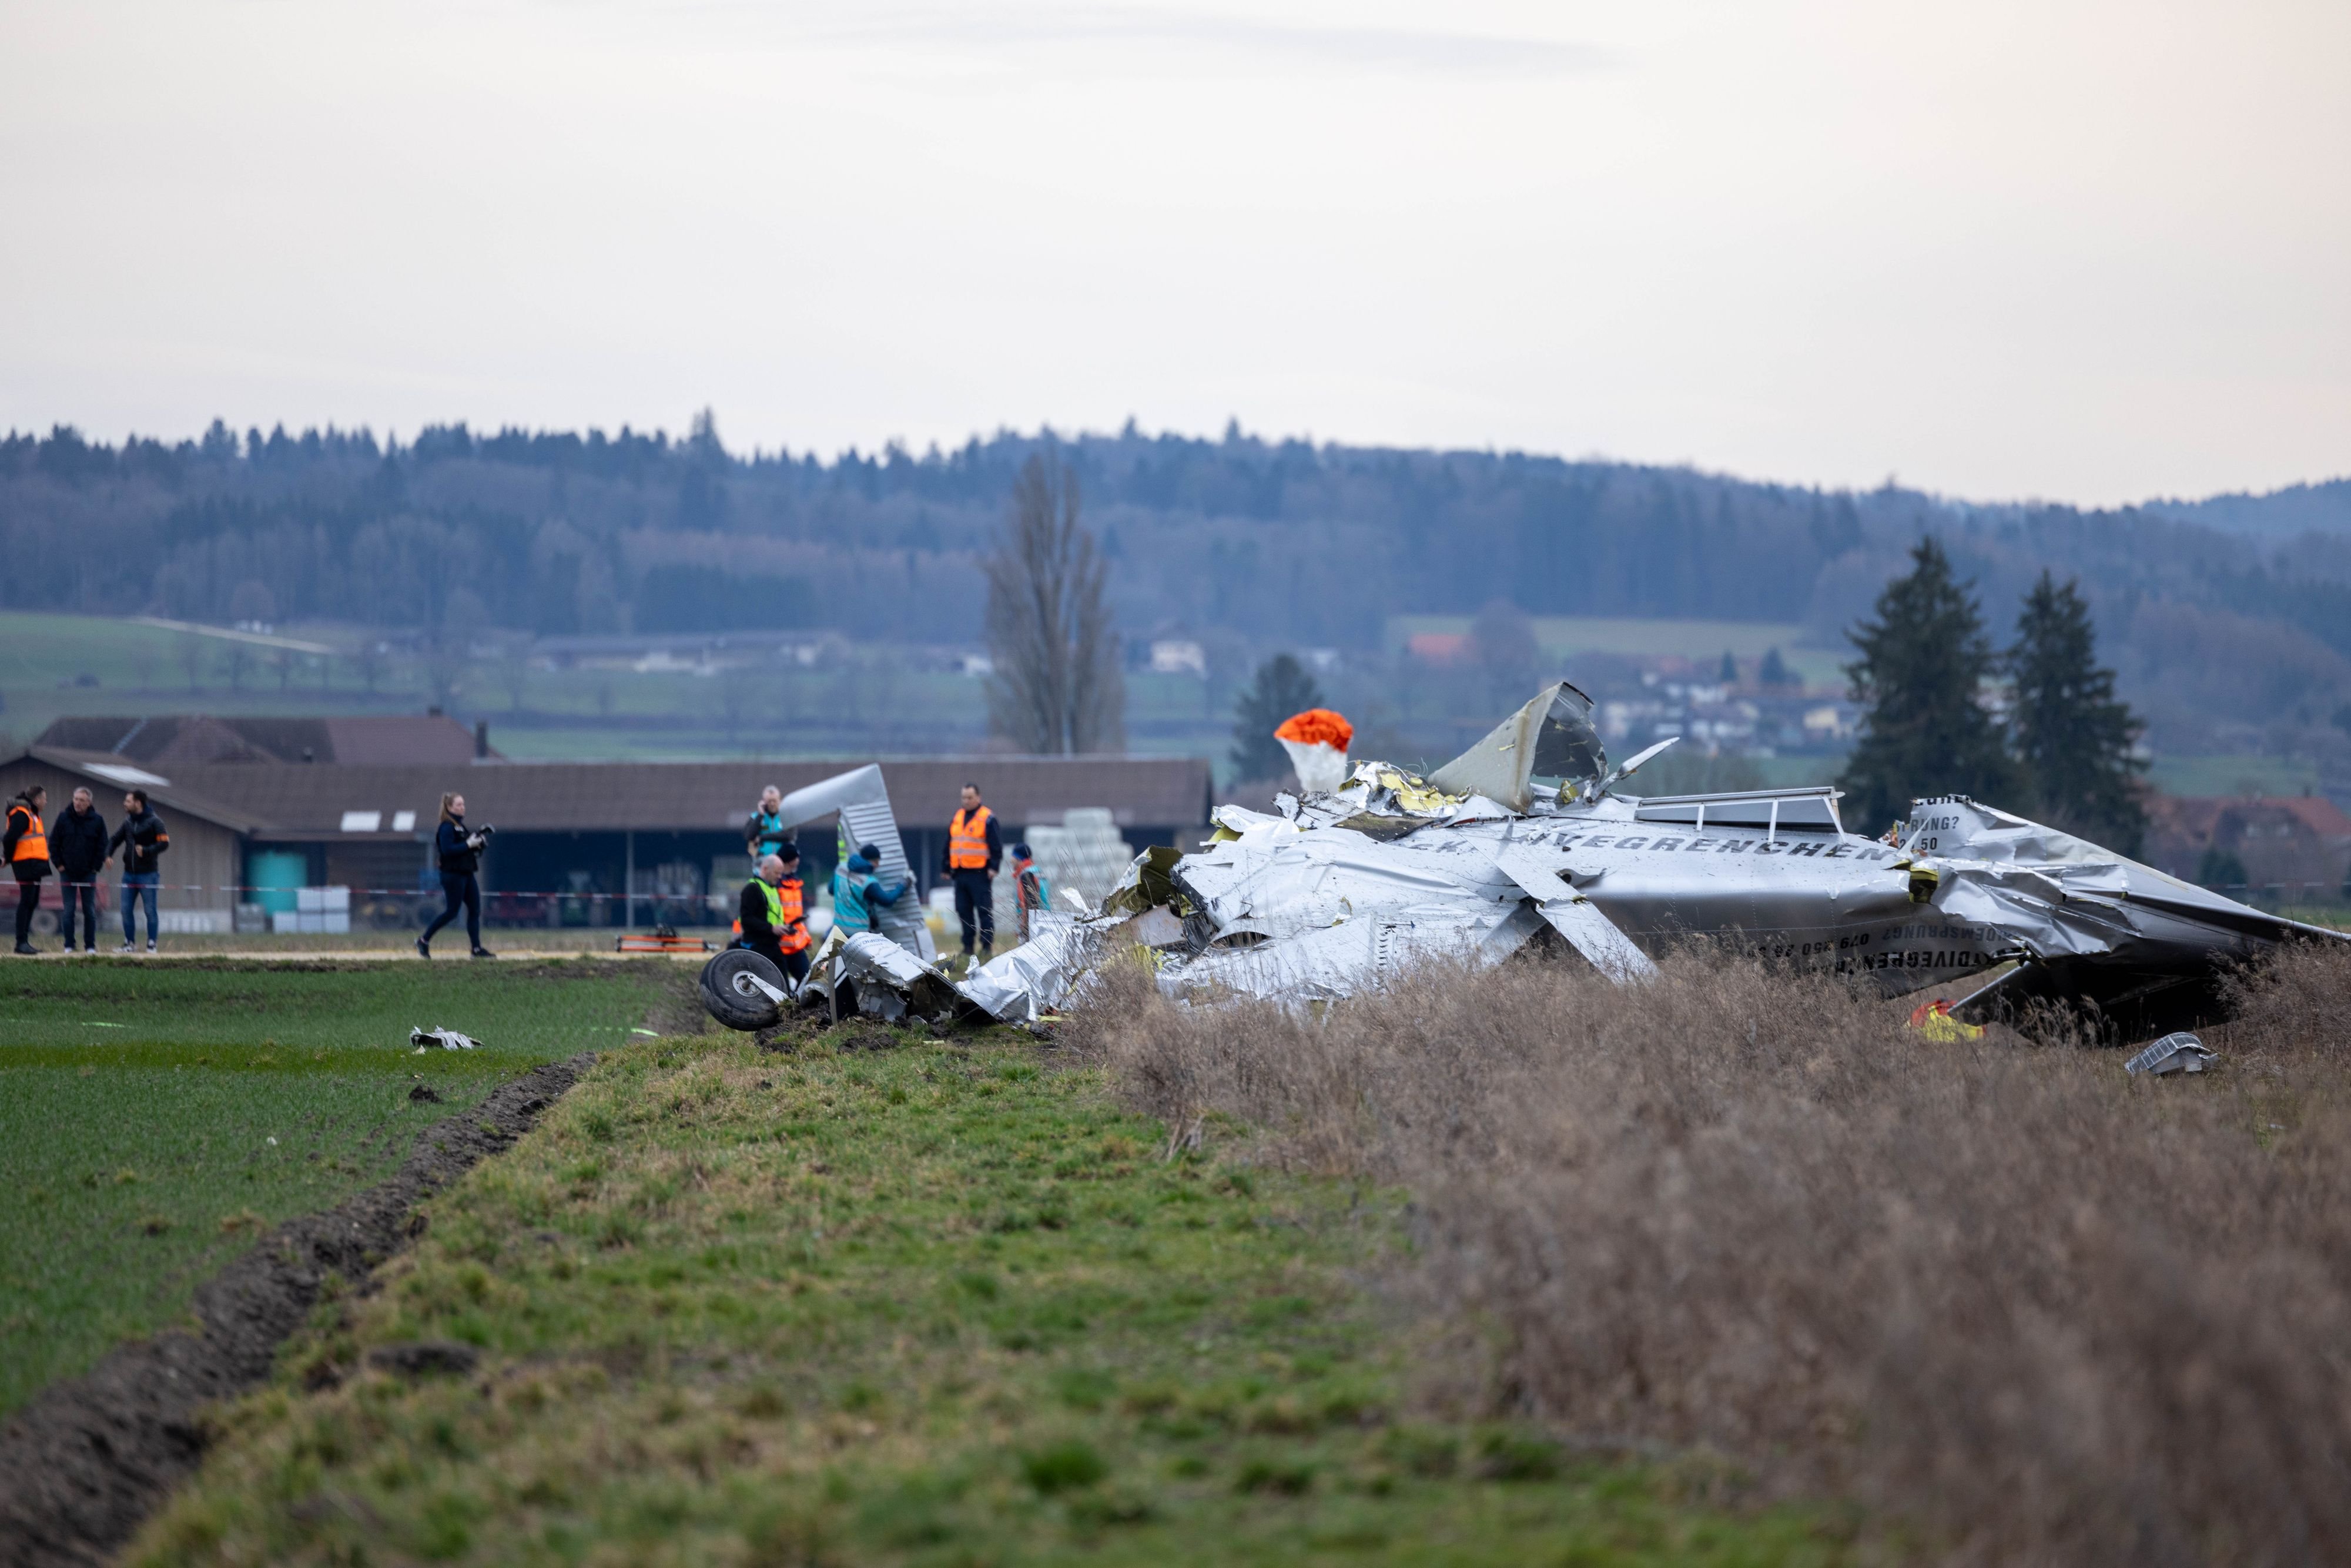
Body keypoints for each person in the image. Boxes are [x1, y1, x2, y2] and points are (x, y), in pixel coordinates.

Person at [418, 792, 494, 959]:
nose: (462, 807)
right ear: (449, 807)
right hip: (452, 875)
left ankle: (476, 949)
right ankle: (424, 940)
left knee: (475, 910)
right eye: (458, 805)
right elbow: (448, 850)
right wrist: (468, 844)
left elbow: (466, 849)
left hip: (466, 873)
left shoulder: (460, 826)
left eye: (463, 804)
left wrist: (478, 842)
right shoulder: (446, 827)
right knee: (452, 911)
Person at [941, 782, 1002, 964]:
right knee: (963, 910)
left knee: (984, 911)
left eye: (970, 798)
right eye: (964, 798)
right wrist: (945, 867)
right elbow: (949, 843)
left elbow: (996, 845)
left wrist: (994, 867)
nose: (966, 801)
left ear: (978, 798)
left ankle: (986, 947)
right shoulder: (958, 817)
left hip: (980, 873)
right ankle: (968, 947)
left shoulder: (988, 818)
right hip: (960, 873)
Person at [737, 849, 812, 985]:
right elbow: (746, 919)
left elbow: (775, 916)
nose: (780, 877)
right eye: (777, 873)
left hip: (773, 945)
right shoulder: (752, 889)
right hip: (758, 947)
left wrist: (785, 928)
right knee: (770, 987)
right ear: (765, 869)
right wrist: (771, 929)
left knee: (783, 988)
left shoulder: (772, 888)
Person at [108, 789, 169, 954]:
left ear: (138, 803)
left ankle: (152, 944)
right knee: (125, 910)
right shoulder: (128, 822)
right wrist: (108, 855)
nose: (124, 804)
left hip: (148, 875)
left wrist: (147, 850)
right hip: (129, 875)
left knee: (150, 910)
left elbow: (164, 844)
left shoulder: (155, 822)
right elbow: (114, 840)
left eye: (128, 801)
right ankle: (129, 944)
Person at [49, 786, 109, 954]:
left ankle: (90, 946)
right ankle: (69, 945)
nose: (78, 803)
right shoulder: (63, 818)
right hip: (67, 872)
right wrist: (59, 865)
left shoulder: (97, 820)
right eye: (76, 799)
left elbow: (102, 845)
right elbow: (53, 843)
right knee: (68, 910)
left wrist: (97, 867)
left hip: (88, 872)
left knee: (89, 910)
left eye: (82, 800)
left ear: (89, 802)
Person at [831, 842, 911, 937]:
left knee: (838, 952)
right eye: (876, 862)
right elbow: (887, 901)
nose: (878, 865)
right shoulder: (868, 882)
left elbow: (831, 889)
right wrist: (904, 884)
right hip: (858, 931)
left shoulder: (841, 868)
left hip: (838, 927)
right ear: (868, 861)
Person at [6, 785, 49, 955]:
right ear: (37, 800)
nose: (46, 802)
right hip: (26, 863)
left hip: (35, 863)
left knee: (32, 901)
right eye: (44, 798)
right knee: (26, 901)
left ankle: (25, 942)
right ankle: (21, 942)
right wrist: (7, 859)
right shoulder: (21, 814)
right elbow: (11, 837)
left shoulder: (33, 815)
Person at [1009, 840, 1051, 944]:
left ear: (1019, 858)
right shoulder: (1038, 871)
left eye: (1013, 857)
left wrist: (1022, 926)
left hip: (1031, 923)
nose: (1011, 860)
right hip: (1046, 920)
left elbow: (1026, 903)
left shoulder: (1026, 876)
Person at [745, 785, 793, 862]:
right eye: (769, 801)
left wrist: (761, 838)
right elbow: (749, 836)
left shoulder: (787, 816)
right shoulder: (755, 817)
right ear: (763, 802)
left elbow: (789, 835)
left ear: (780, 801)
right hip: (762, 862)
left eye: (775, 801)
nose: (772, 804)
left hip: (784, 862)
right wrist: (760, 815)